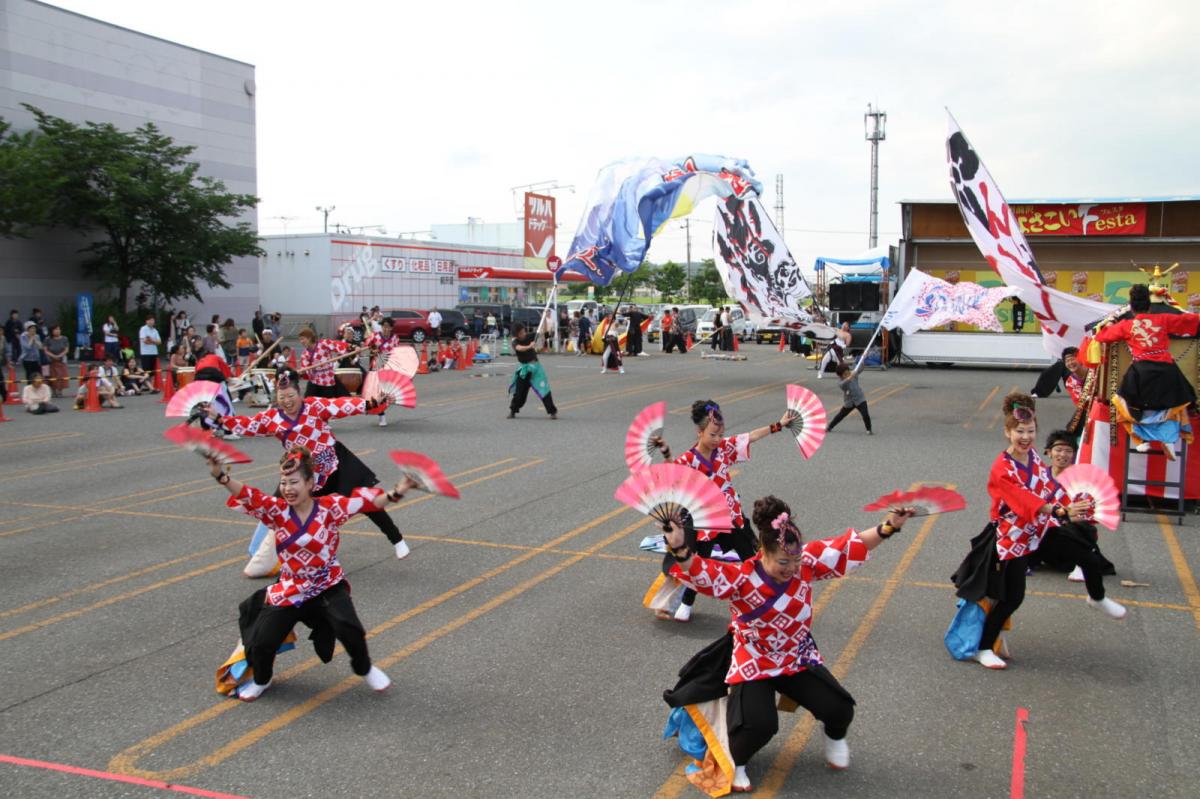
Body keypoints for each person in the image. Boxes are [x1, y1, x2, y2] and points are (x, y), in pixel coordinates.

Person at [660, 495, 915, 792]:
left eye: (795, 560)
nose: (791, 568)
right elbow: (702, 572)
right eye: (783, 561)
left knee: (840, 709)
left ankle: (834, 738)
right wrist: (679, 547)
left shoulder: (805, 562)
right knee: (758, 726)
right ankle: (736, 762)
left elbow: (848, 546)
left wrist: (889, 527)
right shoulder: (741, 577)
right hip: (753, 659)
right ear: (762, 553)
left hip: (796, 657)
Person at [210, 447, 416, 701]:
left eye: (294, 482)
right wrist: (221, 475)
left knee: (349, 628)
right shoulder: (277, 511)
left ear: (310, 483)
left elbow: (368, 502)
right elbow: (248, 495)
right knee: (263, 642)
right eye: (284, 482)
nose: (287, 488)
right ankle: (262, 680)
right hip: (291, 588)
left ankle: (366, 668)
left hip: (327, 583)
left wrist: (400, 489)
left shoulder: (330, 508)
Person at [951, 393, 1098, 671]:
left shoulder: (1031, 456)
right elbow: (1022, 499)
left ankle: (991, 641)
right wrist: (1055, 510)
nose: (1026, 437)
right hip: (1007, 539)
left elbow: (1048, 486)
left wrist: (1072, 504)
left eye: (1031, 431)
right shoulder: (1002, 467)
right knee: (1007, 596)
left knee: (1010, 595)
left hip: (1031, 533)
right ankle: (983, 647)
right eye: (1019, 431)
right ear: (1007, 431)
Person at [212, 369, 410, 571]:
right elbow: (248, 424)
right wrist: (220, 419)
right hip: (304, 473)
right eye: (282, 397)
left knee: (366, 501)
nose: (287, 401)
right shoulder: (272, 419)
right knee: (279, 508)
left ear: (300, 395)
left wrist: (369, 403)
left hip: (336, 464)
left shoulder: (314, 406)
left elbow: (340, 406)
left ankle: (397, 540)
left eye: (291, 396)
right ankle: (262, 553)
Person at [649, 400, 799, 622]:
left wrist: (778, 425)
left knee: (754, 557)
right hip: (706, 520)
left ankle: (772, 598)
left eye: (721, 435)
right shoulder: (689, 459)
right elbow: (674, 474)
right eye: (712, 435)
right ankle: (686, 604)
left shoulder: (724, 449)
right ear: (699, 433)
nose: (718, 440)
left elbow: (750, 437)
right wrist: (665, 451)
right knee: (701, 562)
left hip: (732, 516)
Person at [1031, 430, 1122, 597]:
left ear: (1074, 454)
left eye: (1068, 451)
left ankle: (1080, 565)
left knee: (1083, 527)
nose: (1063, 455)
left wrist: (1063, 516)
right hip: (1045, 529)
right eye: (1058, 450)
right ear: (1048, 452)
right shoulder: (1038, 476)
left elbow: (1085, 516)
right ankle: (1027, 559)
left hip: (1068, 532)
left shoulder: (1083, 481)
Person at [507, 322, 557, 420]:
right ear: (516, 335)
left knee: (544, 390)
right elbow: (519, 348)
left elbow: (544, 333)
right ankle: (513, 410)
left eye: (524, 331)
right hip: (524, 370)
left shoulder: (529, 336)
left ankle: (552, 412)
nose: (524, 333)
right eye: (521, 333)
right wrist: (529, 346)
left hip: (536, 369)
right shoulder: (515, 342)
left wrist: (545, 321)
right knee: (519, 393)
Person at [297, 328, 352, 399]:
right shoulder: (305, 354)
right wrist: (302, 371)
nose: (301, 341)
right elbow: (305, 368)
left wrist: (351, 347)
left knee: (328, 400)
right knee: (308, 400)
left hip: (327, 377)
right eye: (300, 340)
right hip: (315, 379)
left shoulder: (323, 343)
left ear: (309, 338)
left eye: (303, 339)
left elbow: (336, 345)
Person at [827, 361, 872, 435]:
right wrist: (850, 377)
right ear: (840, 376)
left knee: (865, 414)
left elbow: (860, 368)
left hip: (860, 399)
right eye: (845, 374)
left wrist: (863, 360)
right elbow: (844, 383)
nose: (848, 374)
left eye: (848, 372)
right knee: (840, 415)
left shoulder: (853, 374)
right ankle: (830, 426)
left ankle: (869, 429)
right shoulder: (841, 382)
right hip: (849, 402)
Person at [44, 324, 70, 397]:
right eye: (56, 329)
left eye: (59, 329)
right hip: (51, 361)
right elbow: (45, 350)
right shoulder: (47, 339)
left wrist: (59, 355)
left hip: (61, 360)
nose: (58, 331)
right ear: (52, 331)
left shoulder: (64, 338)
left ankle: (60, 390)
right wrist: (53, 356)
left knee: (61, 375)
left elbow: (66, 349)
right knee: (52, 376)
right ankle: (53, 390)